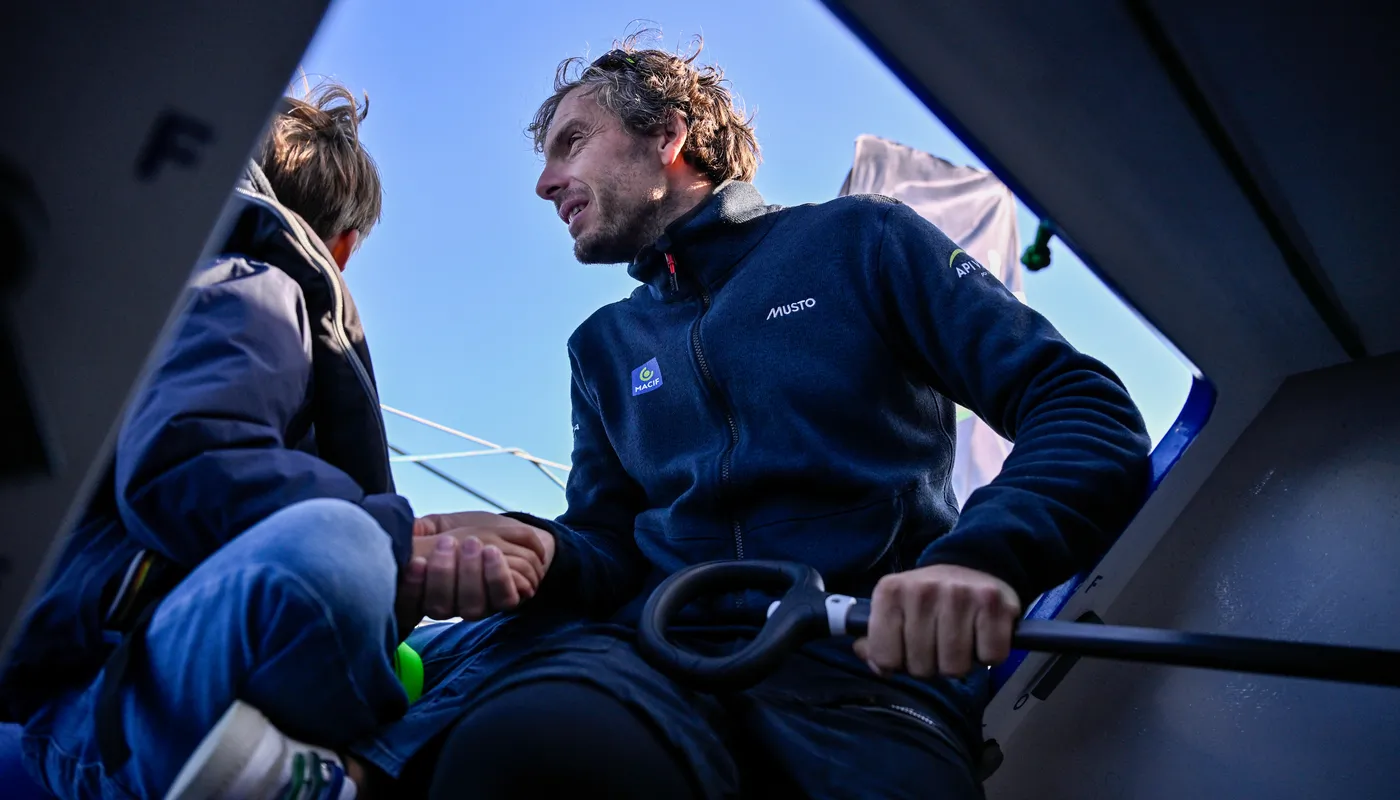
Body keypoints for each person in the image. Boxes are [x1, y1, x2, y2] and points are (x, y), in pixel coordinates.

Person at [362, 33, 1151, 800]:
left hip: (869, 674)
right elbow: (607, 543)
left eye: (572, 142)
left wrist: (977, 559)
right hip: (650, 663)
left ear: (668, 134)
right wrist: (544, 548)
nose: (545, 182)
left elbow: (1082, 405)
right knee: (523, 741)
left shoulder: (858, 239)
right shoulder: (602, 346)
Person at [0, 82, 547, 800]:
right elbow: (188, 465)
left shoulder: (131, 306)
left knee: (384, 581)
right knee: (338, 552)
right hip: (110, 707)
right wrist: (395, 538)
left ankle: (283, 770)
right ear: (341, 248)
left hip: (97, 682)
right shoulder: (248, 285)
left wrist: (408, 567)